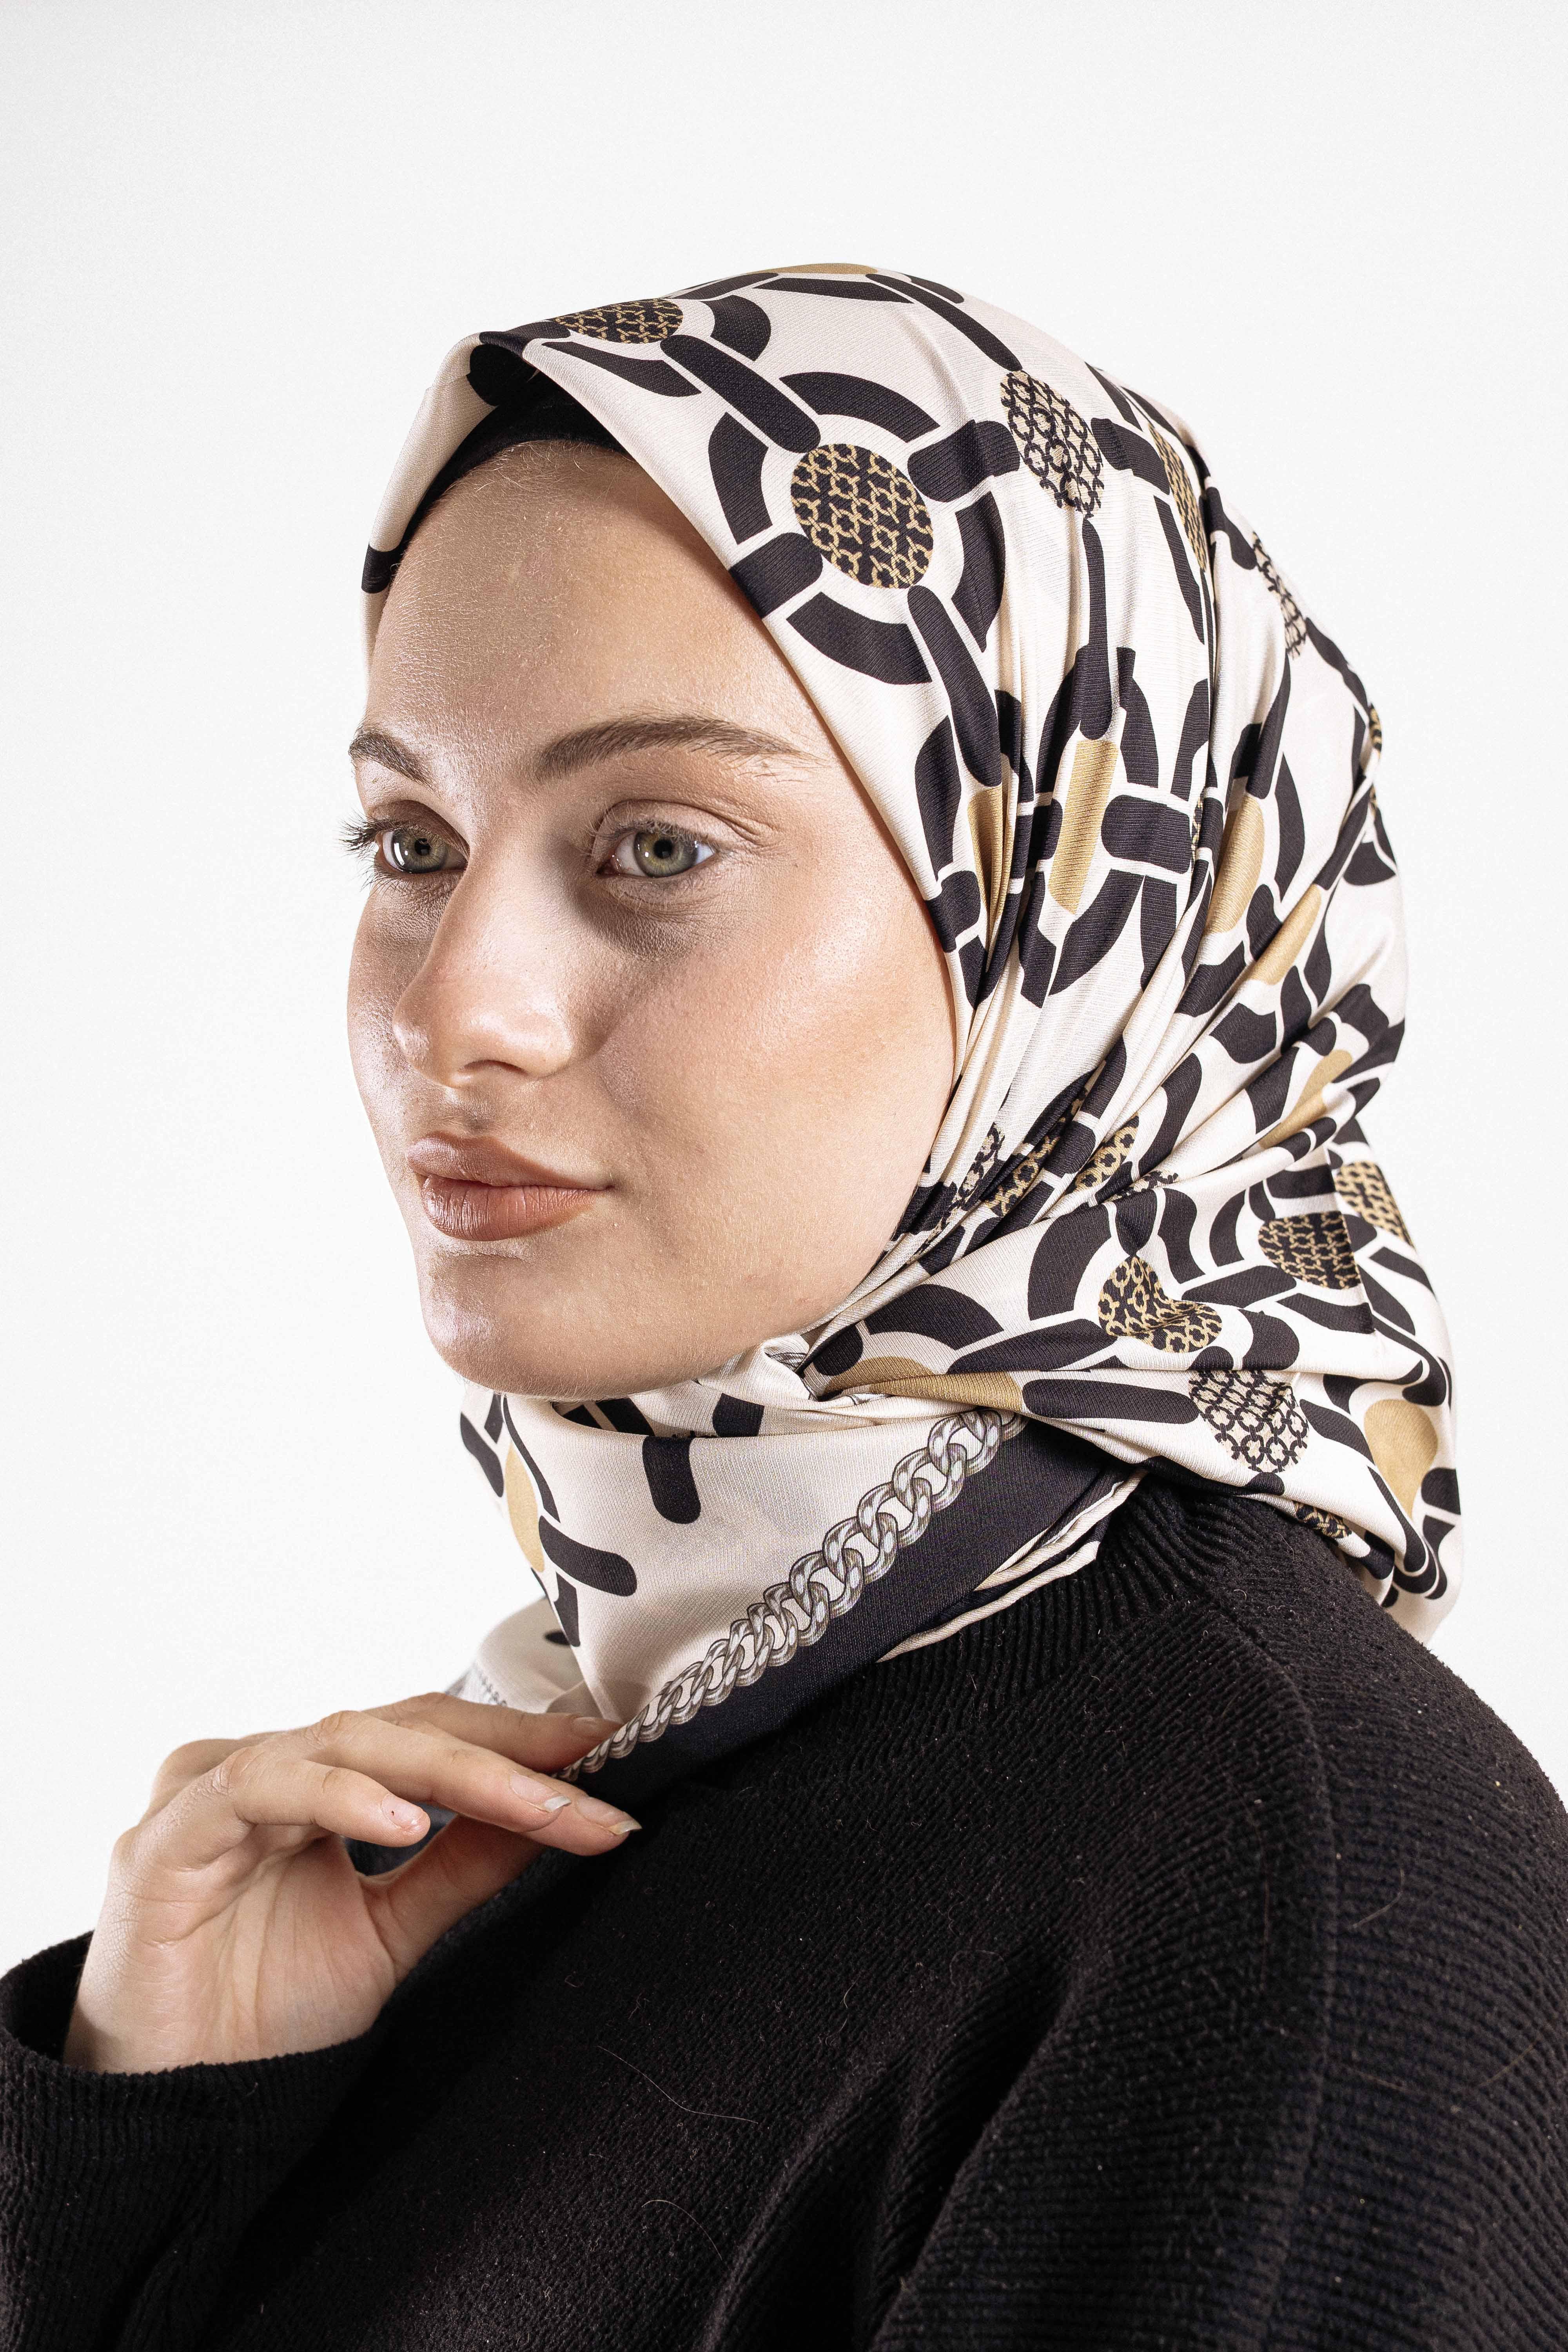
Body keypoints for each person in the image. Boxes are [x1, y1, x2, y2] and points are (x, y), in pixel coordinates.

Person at [3, 266, 1564, 2350]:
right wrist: (168, 2137)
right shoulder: (625, 1760)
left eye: (657, 846)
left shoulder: (1280, 1903)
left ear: (1070, 921)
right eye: (409, 839)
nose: (457, 1010)